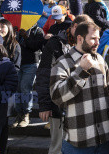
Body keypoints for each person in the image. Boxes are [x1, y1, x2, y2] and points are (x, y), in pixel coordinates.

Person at [50, 22, 109, 154]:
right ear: (80, 38)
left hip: (105, 138)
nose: (97, 42)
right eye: (93, 38)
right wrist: (81, 70)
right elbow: (56, 96)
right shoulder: (63, 62)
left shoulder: (100, 60)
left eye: (98, 38)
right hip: (78, 141)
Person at [36, 14, 92, 154]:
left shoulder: (89, 44)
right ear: (74, 26)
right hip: (59, 106)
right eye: (82, 30)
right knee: (57, 147)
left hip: (82, 107)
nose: (84, 35)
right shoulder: (55, 44)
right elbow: (44, 74)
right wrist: (44, 104)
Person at [0, 19, 21, 153]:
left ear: (9, 29)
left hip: (5, 90)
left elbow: (16, 69)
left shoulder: (15, 46)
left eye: (2, 27)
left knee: (3, 124)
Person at [12, 23, 45, 128]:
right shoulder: (15, 29)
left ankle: (26, 114)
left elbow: (36, 47)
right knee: (17, 89)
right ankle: (19, 114)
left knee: (25, 88)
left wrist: (26, 36)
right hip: (16, 63)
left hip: (30, 63)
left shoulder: (38, 31)